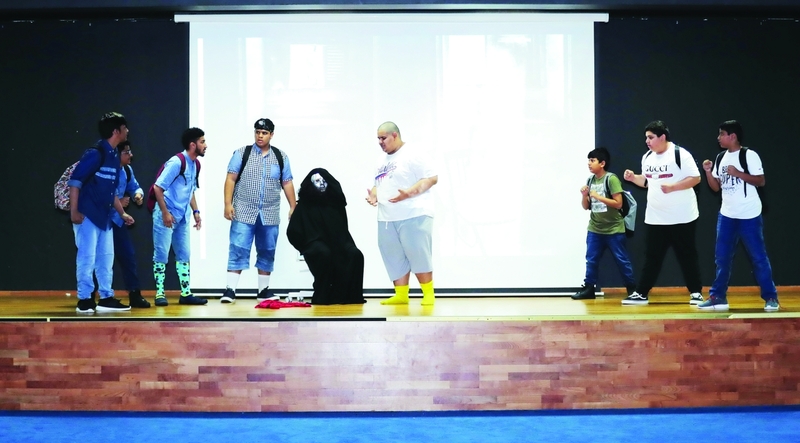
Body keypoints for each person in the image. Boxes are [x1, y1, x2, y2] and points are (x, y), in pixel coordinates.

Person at [621, 120, 704, 306]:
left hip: (682, 216)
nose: (647, 141)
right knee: (652, 256)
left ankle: (696, 292)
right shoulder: (647, 157)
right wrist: (633, 178)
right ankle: (641, 293)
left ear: (662, 137)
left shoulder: (680, 154)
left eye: (650, 137)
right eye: (646, 138)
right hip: (656, 217)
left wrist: (673, 187)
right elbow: (647, 181)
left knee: (687, 255)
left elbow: (696, 178)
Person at [699, 120, 778, 311]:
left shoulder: (749, 155)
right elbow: (716, 187)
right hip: (727, 215)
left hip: (749, 214)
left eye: (722, 134)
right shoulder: (720, 157)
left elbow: (760, 181)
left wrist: (738, 173)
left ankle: (771, 297)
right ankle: (718, 296)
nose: (718, 138)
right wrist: (708, 172)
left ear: (732, 136)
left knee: (758, 258)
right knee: (722, 258)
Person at [221, 118, 296, 303]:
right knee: (238, 247)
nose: (260, 136)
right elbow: (230, 179)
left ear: (271, 134)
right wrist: (227, 204)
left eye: (264, 133)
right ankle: (230, 290)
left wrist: (293, 206)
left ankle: (263, 291)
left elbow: (287, 182)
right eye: (257, 132)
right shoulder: (241, 153)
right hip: (243, 210)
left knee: (267, 250)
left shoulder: (281, 157)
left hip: (270, 212)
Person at [68, 112, 135, 313]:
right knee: (87, 258)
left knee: (106, 258)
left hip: (105, 218)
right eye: (125, 128)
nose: (127, 131)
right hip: (88, 216)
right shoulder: (95, 153)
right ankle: (84, 299)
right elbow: (75, 182)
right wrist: (74, 212)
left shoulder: (114, 155)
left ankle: (106, 297)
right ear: (116, 131)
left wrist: (122, 214)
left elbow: (110, 192)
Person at [366, 121, 438, 306]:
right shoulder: (380, 161)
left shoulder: (413, 153)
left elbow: (431, 178)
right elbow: (378, 184)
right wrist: (374, 194)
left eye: (383, 138)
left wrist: (409, 193)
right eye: (378, 138)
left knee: (418, 253)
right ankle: (401, 295)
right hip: (387, 217)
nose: (380, 142)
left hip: (413, 213)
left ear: (395, 135)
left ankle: (428, 294)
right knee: (393, 256)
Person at [287, 168, 366, 305]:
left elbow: (342, 229)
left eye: (324, 180)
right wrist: (305, 246)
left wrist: (342, 244)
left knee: (355, 255)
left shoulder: (336, 204)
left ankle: (349, 296)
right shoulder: (304, 205)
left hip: (339, 242)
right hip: (315, 244)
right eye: (317, 181)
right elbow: (293, 231)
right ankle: (323, 295)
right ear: (311, 184)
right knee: (324, 253)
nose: (322, 183)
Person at [152, 127, 207, 306]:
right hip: (166, 214)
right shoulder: (176, 162)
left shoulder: (196, 164)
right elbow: (157, 187)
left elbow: (190, 190)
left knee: (184, 254)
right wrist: (165, 213)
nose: (206, 145)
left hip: (182, 217)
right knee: (161, 254)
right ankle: (160, 293)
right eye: (202, 142)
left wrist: (196, 212)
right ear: (193, 145)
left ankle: (185, 293)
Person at [572, 147, 636, 300]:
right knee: (591, 260)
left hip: (614, 229)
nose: (589, 163)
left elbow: (619, 203)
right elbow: (586, 206)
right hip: (595, 228)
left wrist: (598, 196)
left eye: (592, 160)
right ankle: (589, 289)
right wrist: (584, 195)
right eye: (588, 160)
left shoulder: (611, 179)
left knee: (622, 260)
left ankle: (632, 290)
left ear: (602, 163)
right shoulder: (590, 180)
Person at [110, 140, 150, 308]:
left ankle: (134, 294)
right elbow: (101, 195)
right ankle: (94, 296)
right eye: (126, 152)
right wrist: (119, 203)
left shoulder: (127, 169)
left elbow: (135, 186)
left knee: (128, 256)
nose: (130, 155)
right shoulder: (107, 170)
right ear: (117, 154)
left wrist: (137, 195)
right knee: (101, 259)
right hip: (102, 221)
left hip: (118, 222)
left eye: (130, 151)